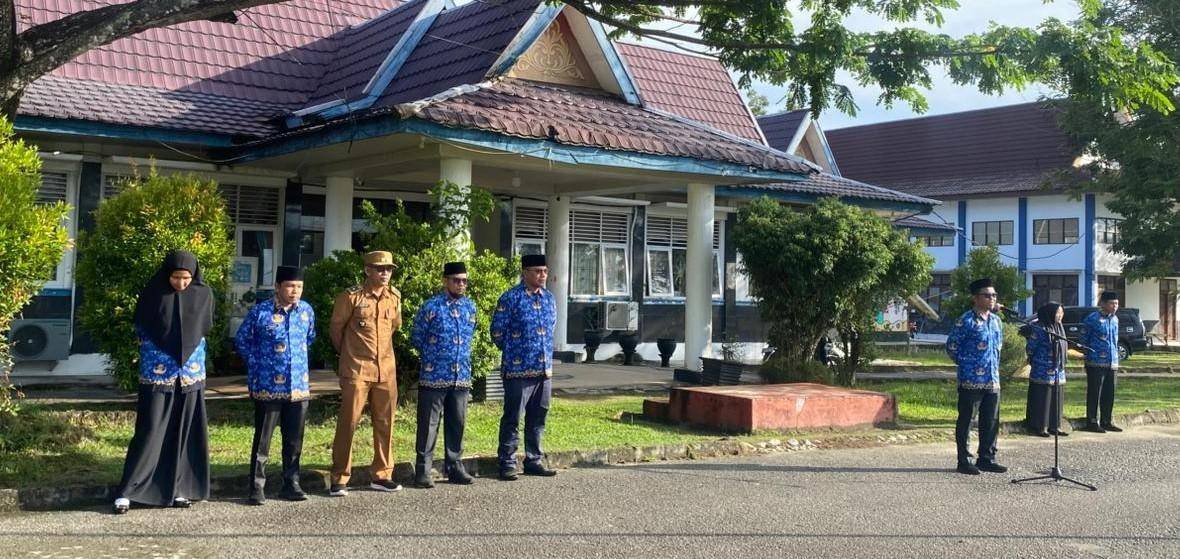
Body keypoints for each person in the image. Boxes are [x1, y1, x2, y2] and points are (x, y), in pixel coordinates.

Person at [112, 251, 214, 514]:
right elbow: (141, 327)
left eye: (186, 278)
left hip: (190, 373)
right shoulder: (153, 293)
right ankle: (128, 491)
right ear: (167, 273)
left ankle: (181, 488)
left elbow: (205, 327)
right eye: (176, 277)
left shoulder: (204, 294)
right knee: (151, 429)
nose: (181, 283)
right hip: (158, 372)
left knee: (186, 430)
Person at [234, 265, 316, 505]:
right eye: (290, 286)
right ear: (277, 286)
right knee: (263, 440)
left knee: (294, 440)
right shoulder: (260, 312)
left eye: (299, 287)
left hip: (298, 386)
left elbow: (310, 338)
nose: (295, 291)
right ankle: (256, 487)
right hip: (267, 386)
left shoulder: (306, 311)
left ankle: (291, 484)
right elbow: (242, 341)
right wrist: (258, 364)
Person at [328, 250, 403, 496]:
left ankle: (382, 475)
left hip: (386, 369)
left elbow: (394, 327)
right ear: (367, 270)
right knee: (349, 422)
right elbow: (336, 330)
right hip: (357, 369)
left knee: (385, 422)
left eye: (389, 269)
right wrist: (349, 355)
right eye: (380, 269)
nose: (385, 273)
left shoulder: (394, 297)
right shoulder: (351, 297)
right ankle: (340, 477)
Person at [491, 253, 558, 481]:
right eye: (537, 271)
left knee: (538, 418)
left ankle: (534, 460)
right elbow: (497, 332)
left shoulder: (549, 299)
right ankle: (507, 463)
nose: (542, 275)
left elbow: (551, 328)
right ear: (525, 273)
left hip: (543, 371)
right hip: (517, 370)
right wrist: (516, 351)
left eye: (545, 271)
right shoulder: (511, 298)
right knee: (512, 418)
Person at [410, 261, 477, 488]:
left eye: (464, 281)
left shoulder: (470, 307)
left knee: (457, 423)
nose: (461, 284)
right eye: (456, 280)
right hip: (434, 376)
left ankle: (455, 467)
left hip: (461, 376)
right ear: (445, 281)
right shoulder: (431, 307)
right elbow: (417, 337)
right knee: (428, 426)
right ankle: (423, 471)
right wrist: (435, 357)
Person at [945, 277, 1008, 476]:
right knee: (966, 421)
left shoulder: (996, 321)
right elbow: (952, 346)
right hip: (971, 380)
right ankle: (964, 461)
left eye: (994, 295)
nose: (992, 298)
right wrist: (967, 365)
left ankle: (986, 458)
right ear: (975, 298)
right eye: (987, 295)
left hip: (992, 379)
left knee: (991, 420)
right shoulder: (966, 320)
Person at [1023, 302, 1068, 438]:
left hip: (1058, 370)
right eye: (1057, 313)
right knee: (1043, 398)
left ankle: (1055, 426)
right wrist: (1035, 360)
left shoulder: (1059, 328)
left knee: (1056, 398)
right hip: (1042, 369)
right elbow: (1031, 348)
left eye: (1061, 312)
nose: (1060, 315)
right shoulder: (1040, 328)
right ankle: (1040, 426)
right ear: (1050, 313)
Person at [1081, 291, 1122, 433]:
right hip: (1096, 362)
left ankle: (1106, 421)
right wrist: (1089, 354)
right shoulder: (1092, 318)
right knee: (1095, 393)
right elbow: (1083, 339)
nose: (1115, 306)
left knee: (1109, 393)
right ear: (1103, 303)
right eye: (1112, 303)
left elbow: (1115, 340)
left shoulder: (1115, 319)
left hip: (1112, 362)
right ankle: (1092, 421)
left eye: (1116, 303)